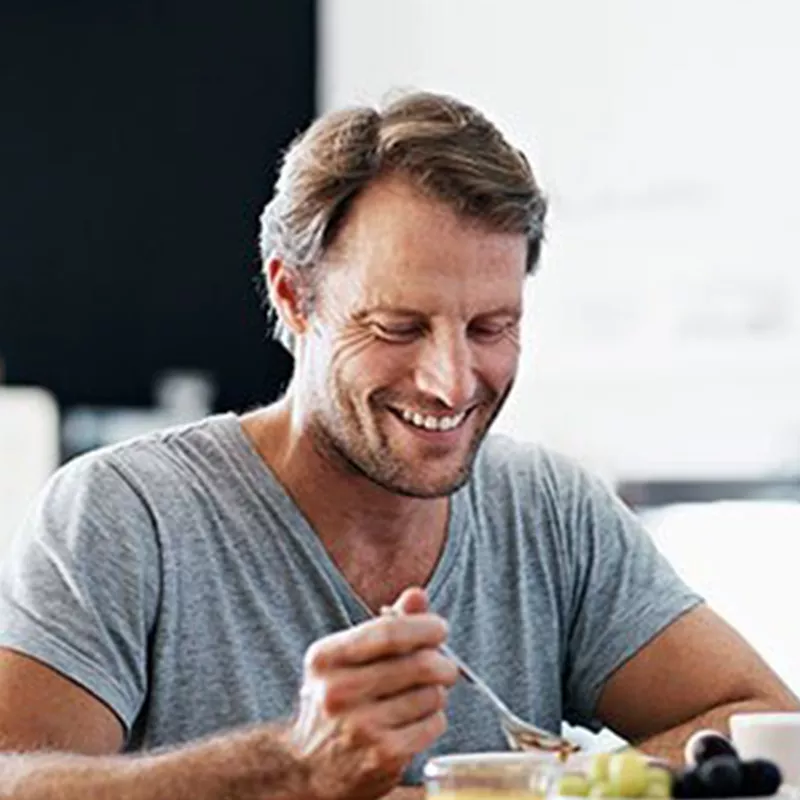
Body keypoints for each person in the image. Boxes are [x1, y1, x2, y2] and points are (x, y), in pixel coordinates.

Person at [0, 90, 796, 800]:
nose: (451, 383)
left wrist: (519, 790)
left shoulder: (551, 511)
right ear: (293, 294)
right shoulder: (125, 513)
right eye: (397, 328)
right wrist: (291, 769)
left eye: (492, 327)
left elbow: (764, 725)